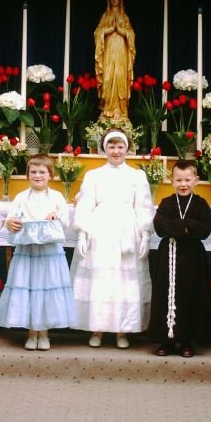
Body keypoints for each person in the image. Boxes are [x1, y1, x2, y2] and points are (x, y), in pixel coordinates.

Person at [70, 128, 154, 348]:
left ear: (127, 149)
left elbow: (144, 206)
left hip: (127, 232)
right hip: (100, 232)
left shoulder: (137, 176)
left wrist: (145, 233)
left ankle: (122, 331)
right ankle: (96, 329)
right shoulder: (94, 175)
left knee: (124, 283)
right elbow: (85, 204)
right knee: (101, 281)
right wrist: (82, 233)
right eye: (111, 146)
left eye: (120, 146)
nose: (116, 151)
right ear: (104, 149)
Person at [0, 154, 77, 350]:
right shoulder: (21, 197)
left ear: (50, 175)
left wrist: (56, 216)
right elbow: (11, 218)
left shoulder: (56, 197)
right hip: (27, 251)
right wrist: (10, 223)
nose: (37, 175)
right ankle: (31, 333)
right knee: (29, 288)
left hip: (49, 253)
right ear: (27, 175)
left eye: (42, 172)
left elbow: (66, 221)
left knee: (47, 288)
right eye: (33, 172)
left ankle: (44, 333)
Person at [147, 160, 211, 358]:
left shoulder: (201, 204)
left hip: (193, 258)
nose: (183, 184)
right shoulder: (166, 203)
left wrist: (178, 227)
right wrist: (187, 227)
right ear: (172, 181)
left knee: (190, 295)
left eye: (187, 180)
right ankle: (165, 341)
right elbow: (160, 226)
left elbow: (205, 229)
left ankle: (187, 341)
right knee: (165, 295)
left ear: (196, 180)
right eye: (179, 180)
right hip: (168, 255)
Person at [94, 0, 136, 120]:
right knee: (108, 78)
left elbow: (131, 33)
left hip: (121, 52)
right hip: (108, 52)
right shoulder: (105, 16)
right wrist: (109, 30)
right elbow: (97, 32)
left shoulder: (124, 17)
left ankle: (120, 110)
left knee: (120, 78)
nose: (113, 0)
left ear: (120, 0)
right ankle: (107, 110)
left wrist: (122, 31)